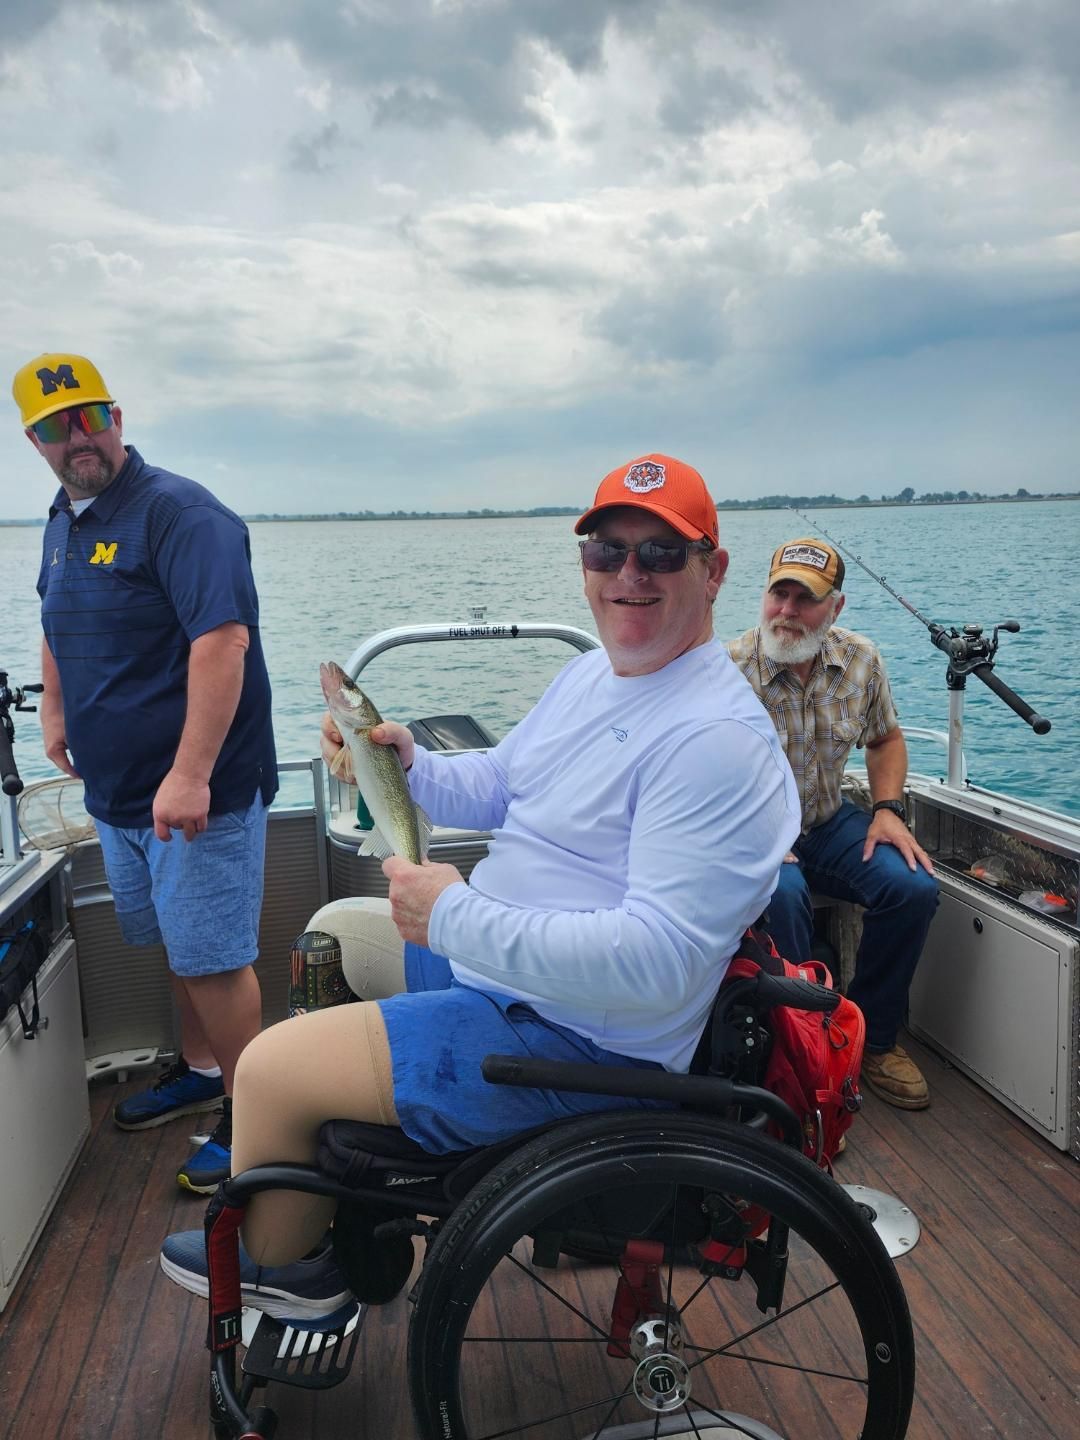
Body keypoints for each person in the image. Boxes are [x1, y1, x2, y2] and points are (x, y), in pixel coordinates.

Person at [158, 452, 801, 1328]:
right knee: (330, 935)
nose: (628, 575)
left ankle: (289, 1277)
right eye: (605, 551)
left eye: (661, 554)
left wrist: (454, 916)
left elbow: (656, 965)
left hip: (576, 1048)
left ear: (714, 571)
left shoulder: (714, 740)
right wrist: (408, 764)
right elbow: (501, 782)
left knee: (267, 1070)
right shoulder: (594, 674)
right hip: (502, 980)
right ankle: (348, 1202)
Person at [13, 352, 278, 1193]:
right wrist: (55, 711)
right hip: (119, 794)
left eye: (90, 416)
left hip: (197, 794)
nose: (77, 436)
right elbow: (55, 623)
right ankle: (200, 1071)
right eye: (57, 426)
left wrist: (191, 774)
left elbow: (222, 641)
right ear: (34, 440)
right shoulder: (63, 520)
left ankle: (256, 1125)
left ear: (118, 418)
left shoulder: (181, 515)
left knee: (212, 959)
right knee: (176, 939)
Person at [726, 538, 938, 1110]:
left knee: (913, 887)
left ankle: (870, 1036)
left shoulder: (861, 659)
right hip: (751, 832)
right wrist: (756, 836)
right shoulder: (726, 669)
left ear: (835, 608)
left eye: (806, 598)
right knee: (785, 895)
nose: (788, 610)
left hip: (825, 818)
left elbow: (886, 738)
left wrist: (888, 810)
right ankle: (800, 1046)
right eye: (779, 593)